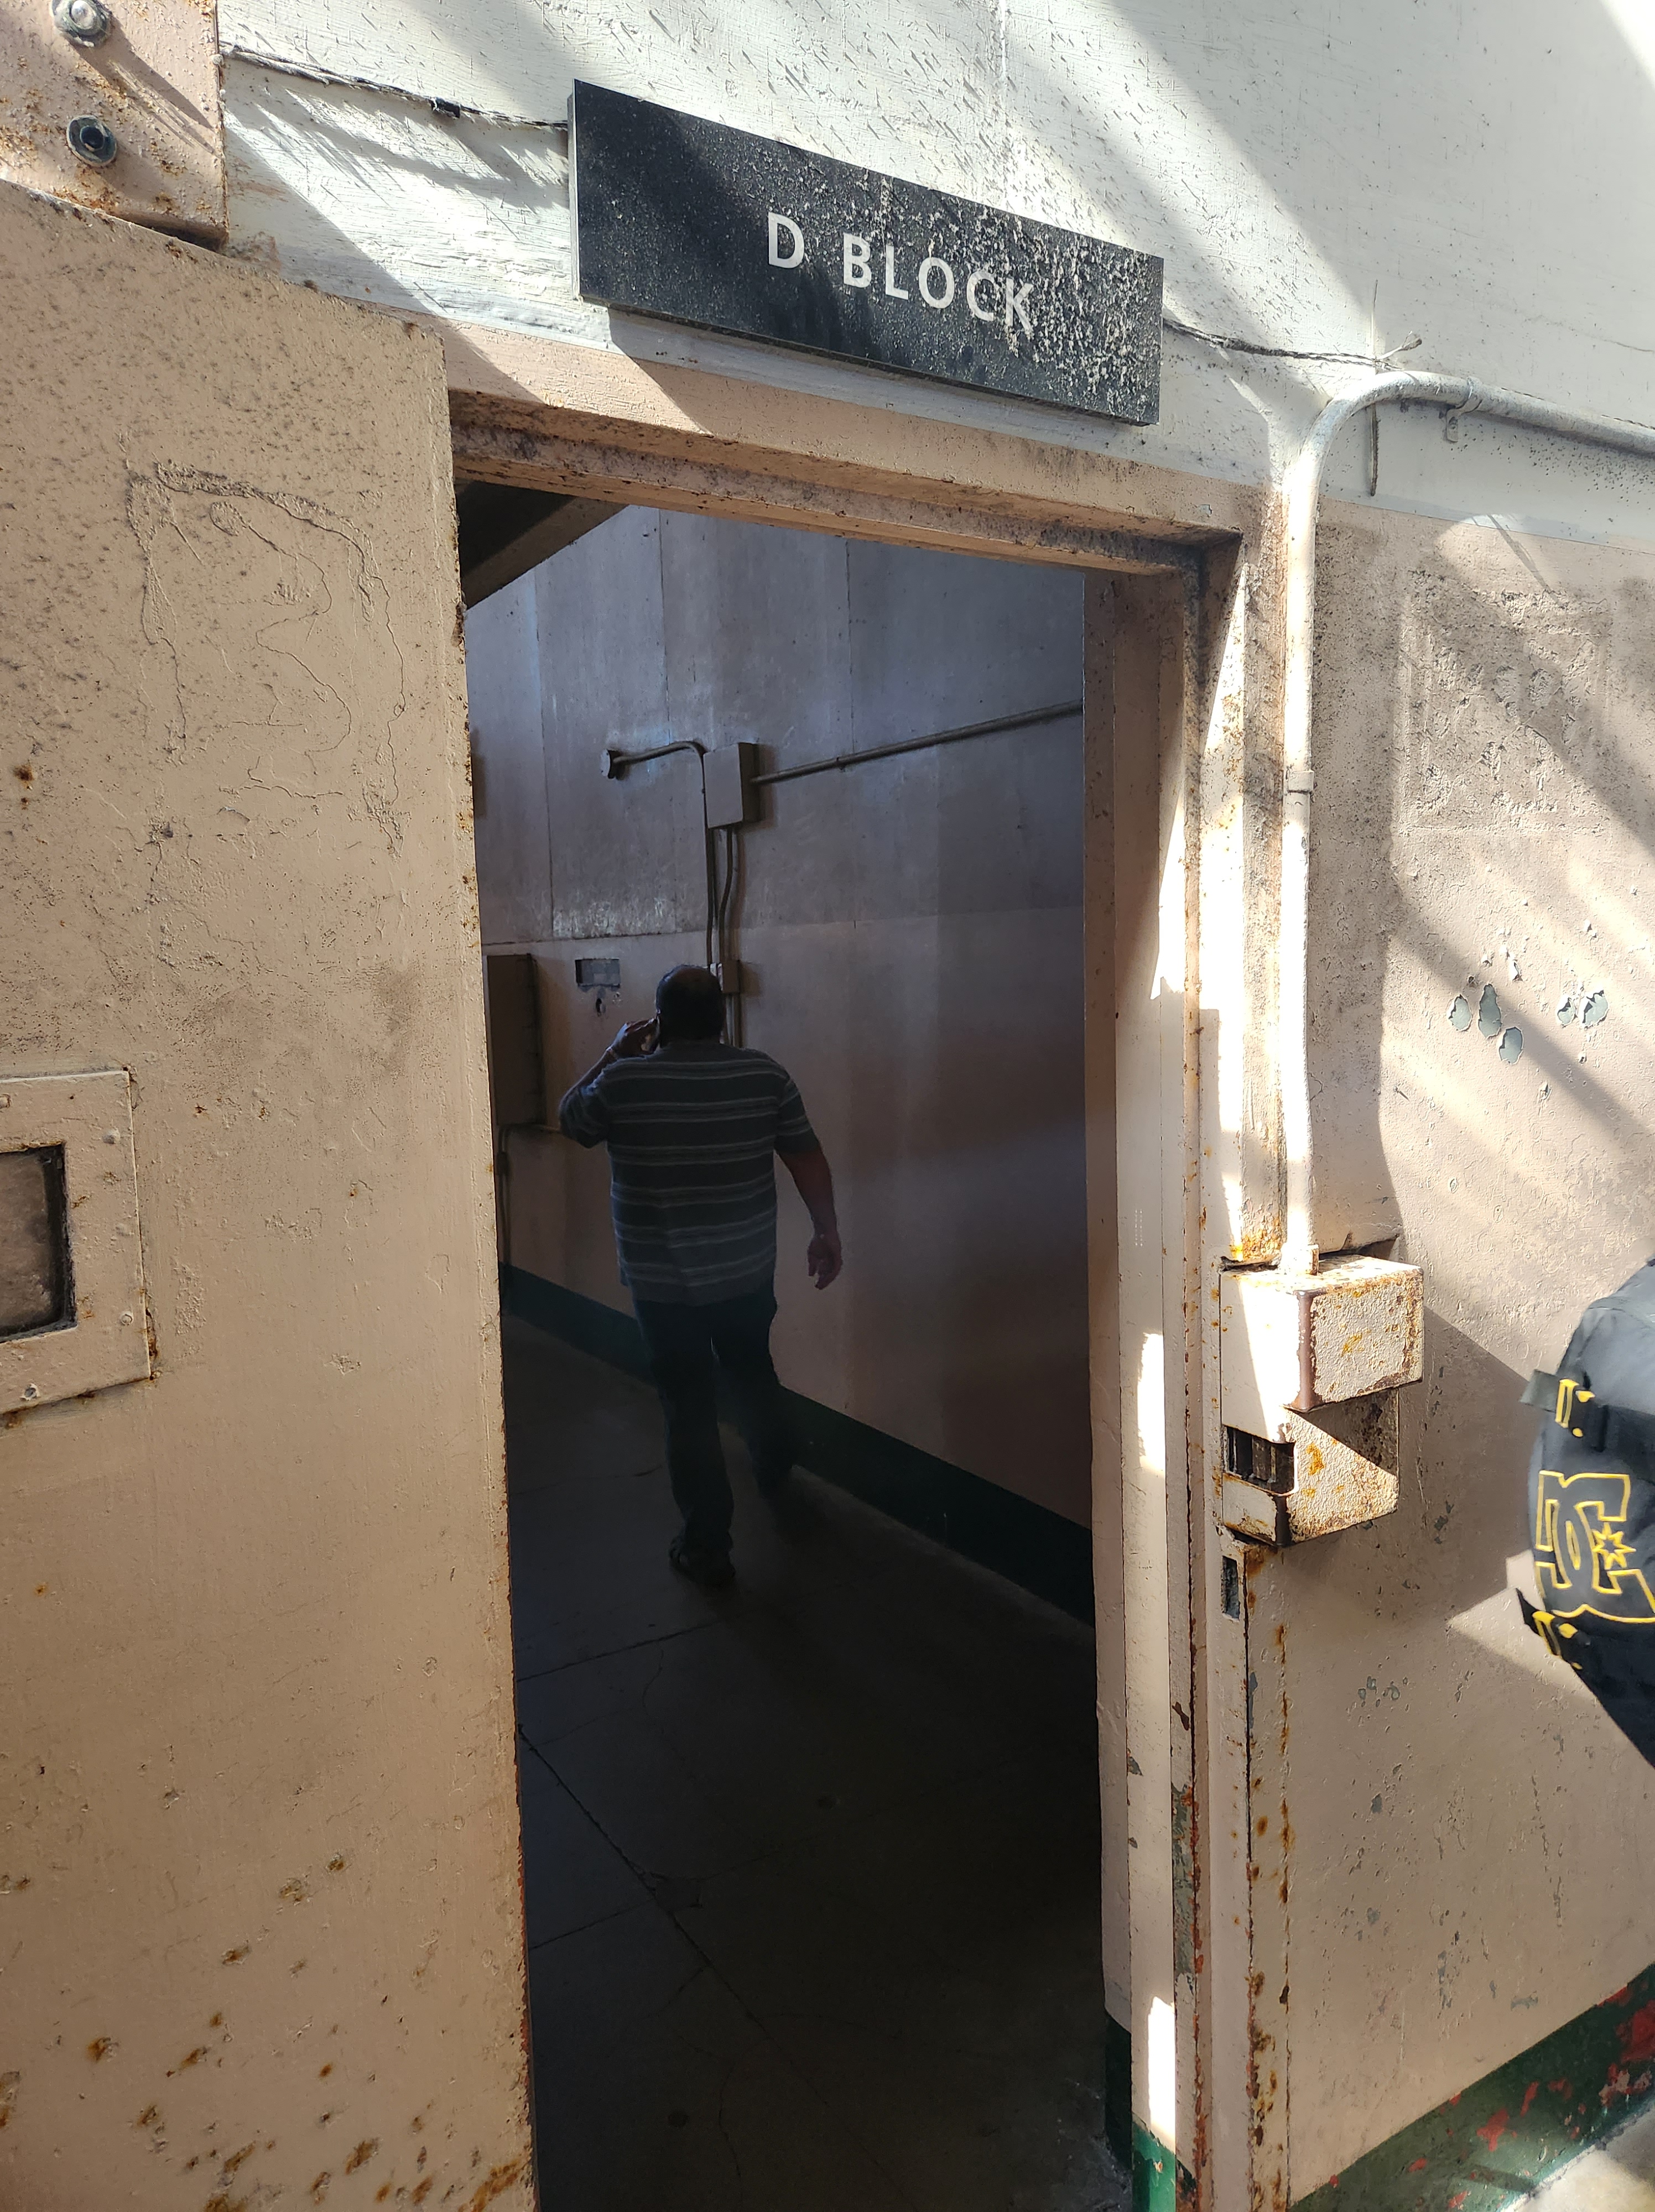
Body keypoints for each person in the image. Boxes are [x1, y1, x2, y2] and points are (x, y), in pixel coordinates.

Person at [558, 964, 842, 1587]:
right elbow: (806, 1155)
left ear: (659, 1022)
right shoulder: (764, 1075)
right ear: (720, 1018)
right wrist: (826, 1231)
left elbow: (570, 1119)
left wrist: (613, 1053)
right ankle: (775, 1462)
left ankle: (708, 1545)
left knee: (688, 1406)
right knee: (751, 1367)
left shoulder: (625, 1082)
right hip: (745, 1270)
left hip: (663, 1286)